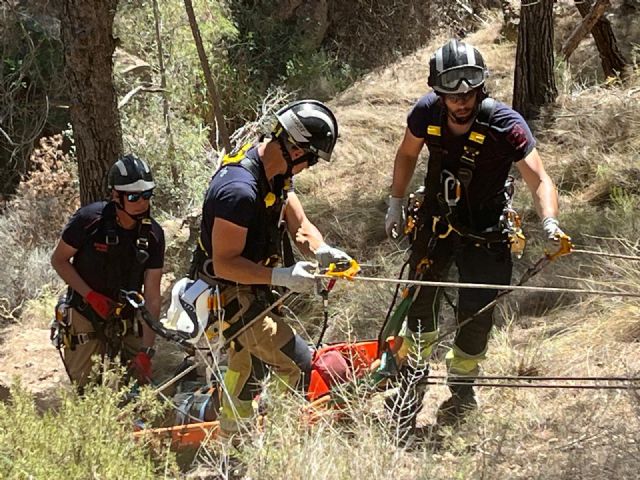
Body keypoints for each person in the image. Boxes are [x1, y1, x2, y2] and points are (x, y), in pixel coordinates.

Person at [384, 39, 569, 424]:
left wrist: (549, 221)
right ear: (439, 93)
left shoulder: (505, 125)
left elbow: (539, 180)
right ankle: (412, 382)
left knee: (477, 313)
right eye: (453, 95)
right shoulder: (425, 114)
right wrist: (395, 202)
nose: (462, 102)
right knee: (421, 304)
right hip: (436, 221)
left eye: (469, 93)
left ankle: (462, 392)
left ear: (480, 88)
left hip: (485, 230)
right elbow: (407, 153)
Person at [189, 99, 351, 435]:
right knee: (298, 363)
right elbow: (225, 263)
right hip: (228, 291)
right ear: (295, 149)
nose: (310, 167)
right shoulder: (239, 191)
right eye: (311, 159)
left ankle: (235, 437)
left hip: (251, 287)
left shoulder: (276, 176)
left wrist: (322, 251)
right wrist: (281, 276)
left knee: (247, 367)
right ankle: (280, 438)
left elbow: (301, 226)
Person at [51, 154, 164, 391]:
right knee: (89, 392)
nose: (142, 203)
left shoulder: (153, 235)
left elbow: (153, 295)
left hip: (126, 316)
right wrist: (90, 295)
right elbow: (59, 260)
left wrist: (147, 351)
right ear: (116, 195)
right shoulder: (89, 220)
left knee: (146, 390)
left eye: (147, 195)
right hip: (84, 311)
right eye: (134, 196)